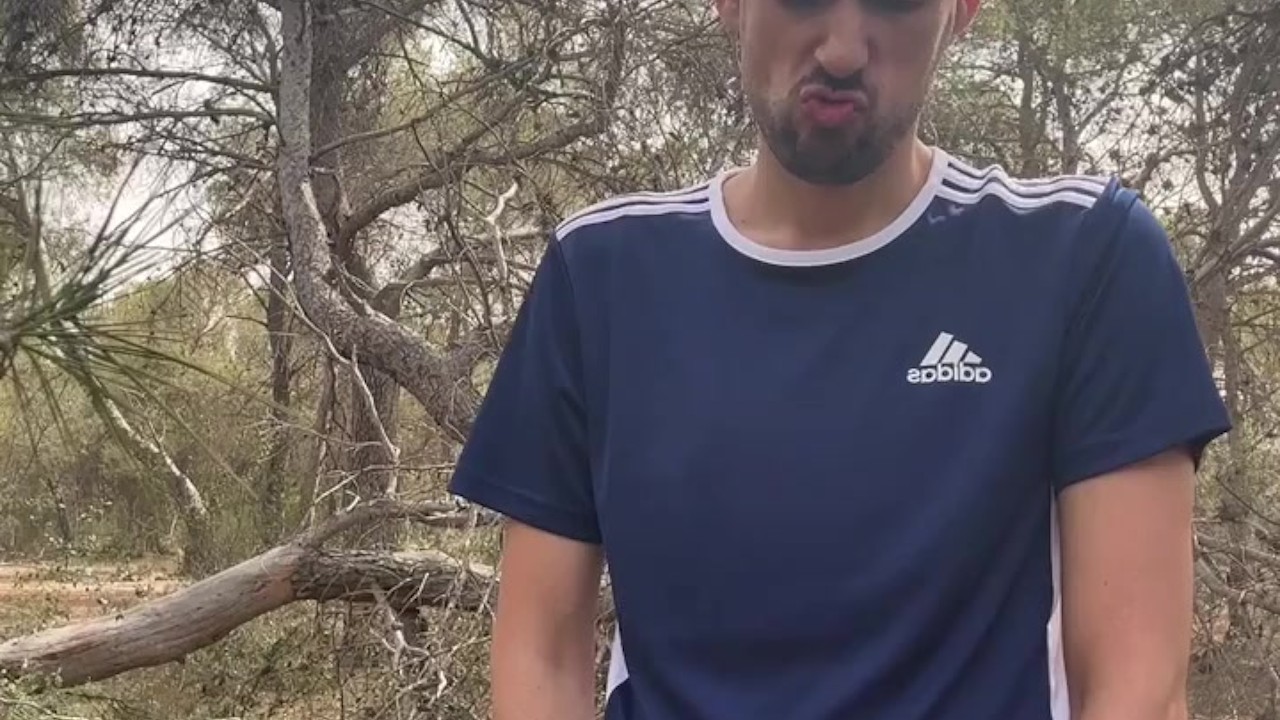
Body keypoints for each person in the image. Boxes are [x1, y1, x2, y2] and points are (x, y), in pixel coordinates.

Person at [448, 0, 1233, 718]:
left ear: (961, 11)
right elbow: (540, 656)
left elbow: (1137, 686)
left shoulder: (1084, 257)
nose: (843, 50)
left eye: (895, 4)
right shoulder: (601, 275)